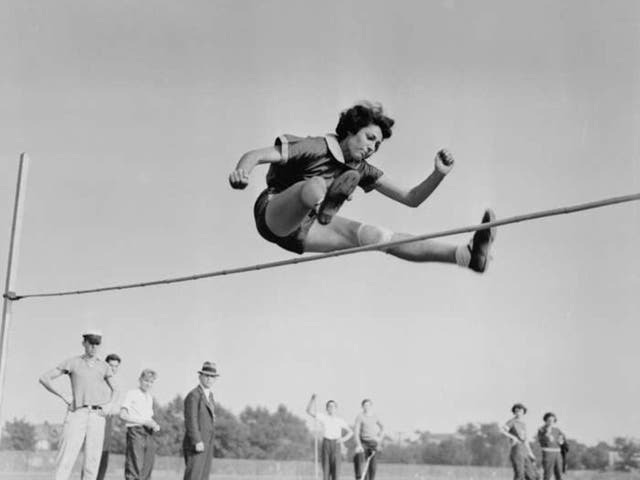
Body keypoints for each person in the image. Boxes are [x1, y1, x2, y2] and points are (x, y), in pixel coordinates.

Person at [229, 102, 496, 273]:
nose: (372, 147)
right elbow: (257, 154)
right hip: (274, 212)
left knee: (377, 237)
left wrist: (438, 174)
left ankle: (465, 256)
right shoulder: (315, 147)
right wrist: (243, 171)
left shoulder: (362, 168)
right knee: (313, 185)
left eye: (377, 145)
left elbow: (411, 198)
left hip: (305, 232)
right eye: (369, 138)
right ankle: (326, 199)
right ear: (351, 131)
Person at [39, 330, 115, 480]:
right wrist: (64, 396)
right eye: (91, 343)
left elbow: (117, 389)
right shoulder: (73, 362)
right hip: (77, 413)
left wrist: (109, 406)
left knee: (92, 462)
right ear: (84, 343)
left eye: (97, 344)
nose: (94, 347)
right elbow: (45, 378)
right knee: (66, 457)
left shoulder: (104, 366)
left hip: (97, 416)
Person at [83, 353, 122, 480]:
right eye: (110, 365)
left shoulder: (115, 386)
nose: (113, 368)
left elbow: (117, 408)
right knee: (91, 457)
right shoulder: (98, 381)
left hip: (107, 422)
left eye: (116, 366)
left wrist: (112, 409)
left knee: (104, 457)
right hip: (95, 420)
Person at [120, 369, 160, 480]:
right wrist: (143, 422)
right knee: (134, 466)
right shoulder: (132, 393)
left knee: (147, 467)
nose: (148, 384)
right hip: (136, 431)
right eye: (146, 380)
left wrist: (154, 424)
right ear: (140, 380)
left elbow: (148, 417)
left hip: (148, 433)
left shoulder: (150, 397)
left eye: (151, 382)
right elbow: (123, 415)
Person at [183, 361, 219, 480]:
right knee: (193, 476)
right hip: (197, 444)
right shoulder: (194, 395)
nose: (209, 379)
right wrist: (197, 440)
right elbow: (191, 420)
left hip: (208, 443)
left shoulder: (210, 396)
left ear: (215, 379)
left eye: (212, 376)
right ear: (200, 377)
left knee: (203, 476)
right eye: (206, 376)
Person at [306, 394, 354, 480]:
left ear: (336, 408)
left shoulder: (340, 420)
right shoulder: (323, 417)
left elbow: (351, 432)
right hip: (326, 443)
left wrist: (343, 439)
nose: (331, 408)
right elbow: (308, 411)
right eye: (329, 406)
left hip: (336, 444)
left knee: (336, 471)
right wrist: (312, 400)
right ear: (327, 409)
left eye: (333, 406)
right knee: (326, 470)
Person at [501, 403, 538, 480]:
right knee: (519, 474)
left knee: (532, 475)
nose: (519, 413)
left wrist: (531, 453)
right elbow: (502, 430)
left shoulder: (523, 424)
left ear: (524, 412)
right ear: (514, 412)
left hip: (525, 450)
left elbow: (526, 441)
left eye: (520, 411)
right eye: (516, 411)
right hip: (517, 449)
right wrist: (513, 437)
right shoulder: (512, 421)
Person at [353, 399, 384, 480]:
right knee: (359, 461)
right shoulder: (360, 416)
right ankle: (360, 478)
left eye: (368, 405)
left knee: (373, 466)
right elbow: (356, 432)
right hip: (363, 443)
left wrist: (379, 438)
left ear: (371, 406)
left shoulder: (375, 416)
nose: (366, 407)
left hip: (373, 443)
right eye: (365, 405)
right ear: (362, 407)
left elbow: (382, 427)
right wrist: (358, 445)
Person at [537, 412, 567, 480]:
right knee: (548, 474)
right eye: (549, 420)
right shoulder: (542, 429)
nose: (551, 422)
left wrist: (561, 441)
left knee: (559, 473)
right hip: (548, 453)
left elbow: (562, 441)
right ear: (546, 420)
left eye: (553, 420)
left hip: (558, 453)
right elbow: (541, 440)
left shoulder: (557, 430)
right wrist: (547, 434)